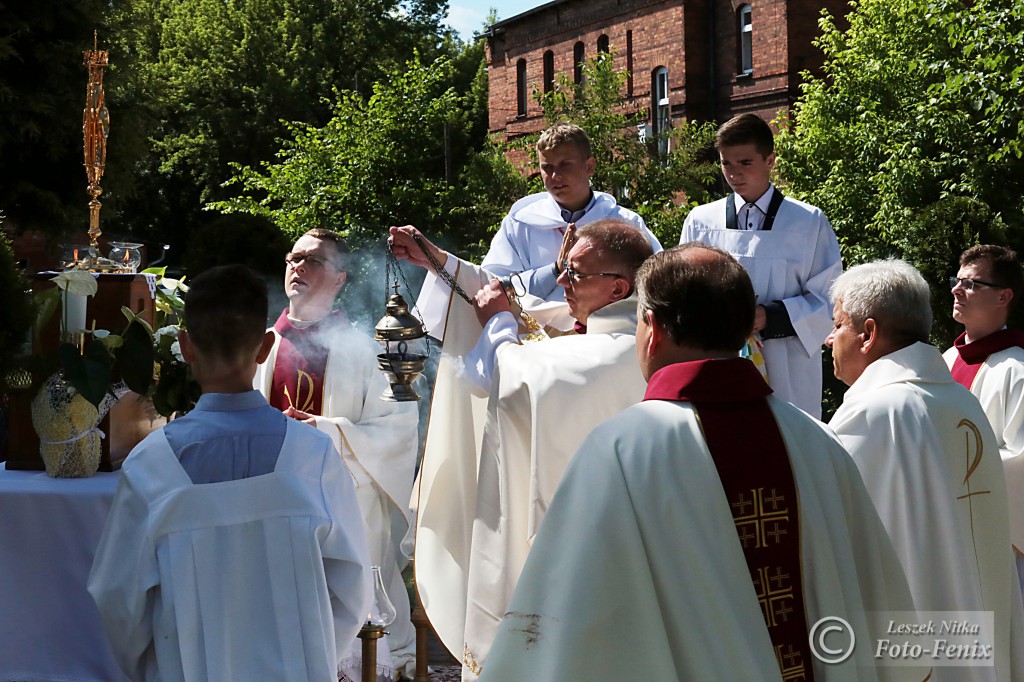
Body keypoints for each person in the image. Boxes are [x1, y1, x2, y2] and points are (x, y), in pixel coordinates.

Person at [482, 245, 923, 681]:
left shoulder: (620, 449)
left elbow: (568, 630)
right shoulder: (818, 441)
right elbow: (879, 598)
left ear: (651, 328)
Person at [89, 264, 371, 681]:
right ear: (265, 348)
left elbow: (119, 598)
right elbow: (352, 587)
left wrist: (157, 670)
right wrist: (311, 654)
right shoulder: (313, 456)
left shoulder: (153, 464)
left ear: (185, 346)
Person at [458, 220, 653, 677]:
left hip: (566, 550)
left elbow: (501, 377)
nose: (562, 281)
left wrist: (498, 324)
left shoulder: (592, 356)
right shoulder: (650, 346)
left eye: (576, 274)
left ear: (617, 287)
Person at [826, 259, 1024, 681]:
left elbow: (843, 545)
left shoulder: (872, 414)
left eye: (837, 323)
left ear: (869, 334)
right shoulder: (958, 399)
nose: (828, 339)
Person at [253, 228, 419, 678]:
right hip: (270, 505)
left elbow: (398, 430)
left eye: (312, 261)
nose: (298, 267)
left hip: (341, 509)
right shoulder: (259, 348)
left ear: (340, 279)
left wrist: (326, 433)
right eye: (293, 258)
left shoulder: (367, 351)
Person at [395, 122, 661, 338]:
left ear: (589, 166)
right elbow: (490, 287)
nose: (555, 177)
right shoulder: (522, 221)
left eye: (565, 165)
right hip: (534, 345)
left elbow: (655, 288)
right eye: (547, 168)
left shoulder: (625, 224)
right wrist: (553, 271)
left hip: (607, 342)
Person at [679, 113, 841, 417]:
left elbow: (830, 299)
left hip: (787, 366)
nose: (734, 174)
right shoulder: (701, 222)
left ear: (770, 160)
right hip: (717, 360)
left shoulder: (807, 222)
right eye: (726, 163)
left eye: (745, 163)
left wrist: (767, 317)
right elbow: (682, 294)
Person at [943, 245, 1024, 594]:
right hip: (947, 525)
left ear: (1003, 296)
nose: (956, 290)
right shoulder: (946, 360)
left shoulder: (1016, 369)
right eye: (957, 281)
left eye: (972, 284)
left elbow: (1021, 458)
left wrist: (952, 473)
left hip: (995, 535)